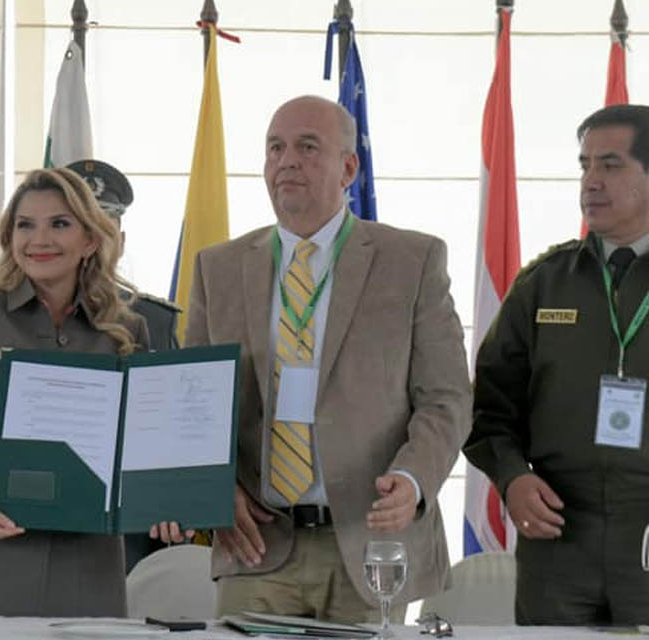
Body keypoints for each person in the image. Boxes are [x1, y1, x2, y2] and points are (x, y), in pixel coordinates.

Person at [186, 95, 470, 623]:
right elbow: (194, 405)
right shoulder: (217, 268)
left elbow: (446, 398)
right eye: (275, 148)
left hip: (372, 543)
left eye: (307, 147)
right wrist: (213, 489)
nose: (286, 160)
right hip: (258, 547)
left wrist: (412, 481)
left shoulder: (412, 260)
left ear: (348, 168)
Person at [466, 104, 649, 627]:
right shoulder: (543, 283)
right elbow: (488, 408)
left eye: (610, 165)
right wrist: (511, 479)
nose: (590, 182)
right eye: (584, 165)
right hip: (558, 536)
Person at [0, 167, 152, 616]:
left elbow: (144, 447)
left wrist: (168, 497)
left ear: (91, 240)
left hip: (87, 577)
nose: (39, 239)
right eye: (25, 225)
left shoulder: (127, 330)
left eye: (59, 224)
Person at [66, 158, 187, 573]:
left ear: (121, 239)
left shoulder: (154, 321)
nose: (94, 241)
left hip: (128, 539)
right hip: (27, 527)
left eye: (106, 228)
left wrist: (176, 499)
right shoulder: (4, 315)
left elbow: (174, 431)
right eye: (82, 225)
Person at [66, 158, 181, 353]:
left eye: (104, 233)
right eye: (82, 230)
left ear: (121, 243)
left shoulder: (155, 319)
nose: (92, 244)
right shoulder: (24, 313)